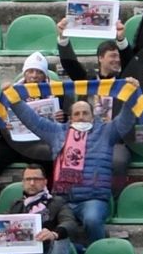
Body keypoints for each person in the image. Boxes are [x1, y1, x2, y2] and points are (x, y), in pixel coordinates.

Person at [7, 86, 141, 245]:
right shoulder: (57, 133)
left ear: (93, 117)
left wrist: (131, 95)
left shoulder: (107, 132)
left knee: (91, 220)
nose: (81, 117)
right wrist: (14, 100)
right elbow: (33, 120)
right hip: (62, 200)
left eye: (85, 113)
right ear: (70, 118)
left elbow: (126, 119)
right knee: (55, 227)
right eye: (76, 114)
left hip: (93, 199)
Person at [57, 25, 136, 198]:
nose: (117, 60)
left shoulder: (123, 82)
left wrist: (121, 40)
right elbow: (71, 65)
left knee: (118, 160)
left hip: (115, 140)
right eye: (112, 56)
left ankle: (112, 200)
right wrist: (63, 39)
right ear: (100, 58)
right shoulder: (88, 83)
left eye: (118, 56)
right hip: (87, 138)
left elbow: (130, 62)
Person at [0, 51, 61, 200]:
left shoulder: (57, 92)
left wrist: (62, 117)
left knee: (47, 155)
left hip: (39, 142)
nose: (34, 75)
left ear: (45, 75)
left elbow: (68, 120)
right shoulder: (10, 91)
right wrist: (3, 125)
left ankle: (48, 200)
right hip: (12, 141)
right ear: (24, 73)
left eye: (39, 72)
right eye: (30, 71)